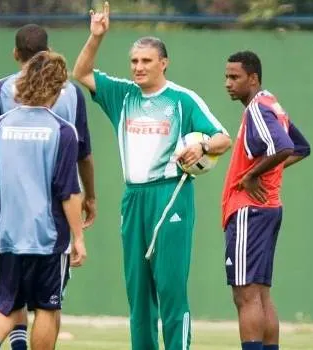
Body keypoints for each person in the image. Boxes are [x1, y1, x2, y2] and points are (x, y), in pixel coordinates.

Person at [72, 2, 232, 349]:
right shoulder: (122, 95)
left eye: (146, 61)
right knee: (138, 294)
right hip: (134, 198)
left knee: (171, 289)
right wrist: (96, 37)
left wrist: (202, 148)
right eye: (134, 61)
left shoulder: (181, 99)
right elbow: (81, 72)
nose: (138, 67)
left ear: (163, 63)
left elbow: (224, 138)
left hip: (170, 196)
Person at [0, 23, 96, 349]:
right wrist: (78, 237)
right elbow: (67, 190)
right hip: (47, 232)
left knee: (5, 301)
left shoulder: (2, 125)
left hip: (8, 226)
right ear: (55, 88)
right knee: (47, 305)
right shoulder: (61, 130)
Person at [222, 50, 311, 350]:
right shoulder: (271, 103)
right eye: (227, 77)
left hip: (250, 209)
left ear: (253, 78)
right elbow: (301, 147)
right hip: (268, 208)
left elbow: (285, 146)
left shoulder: (257, 109)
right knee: (260, 295)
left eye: (235, 77)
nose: (228, 83)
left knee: (245, 295)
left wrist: (251, 176)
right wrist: (266, 174)